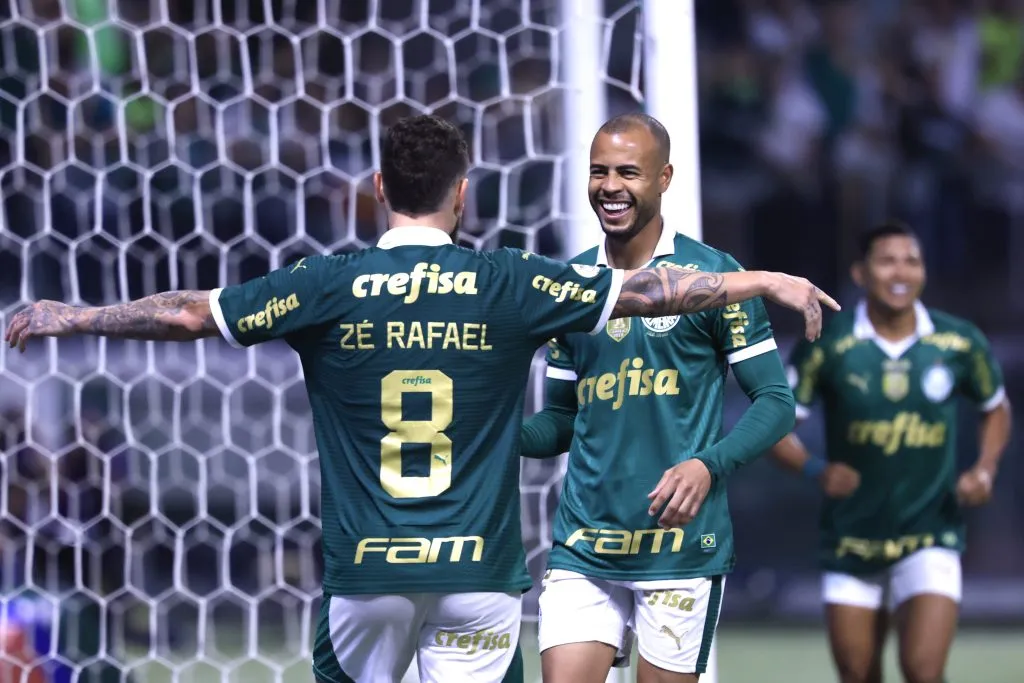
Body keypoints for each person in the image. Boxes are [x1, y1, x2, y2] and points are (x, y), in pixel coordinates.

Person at [5, 114, 838, 683]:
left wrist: (68, 315)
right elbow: (650, 295)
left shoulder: (327, 282)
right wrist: (765, 276)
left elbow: (188, 312)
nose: (611, 185)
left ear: (376, 187)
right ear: (463, 190)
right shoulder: (514, 281)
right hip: (481, 571)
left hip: (369, 568)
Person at [520, 113, 799, 683]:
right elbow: (561, 421)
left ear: (664, 177)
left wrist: (708, 464)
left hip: (678, 546)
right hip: (586, 544)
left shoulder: (716, 277)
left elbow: (775, 400)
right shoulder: (572, 285)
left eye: (629, 172)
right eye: (599, 172)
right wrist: (501, 437)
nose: (610, 186)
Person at [770, 221, 1014, 683]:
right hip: (850, 542)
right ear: (860, 273)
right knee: (858, 674)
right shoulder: (829, 344)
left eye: (912, 260)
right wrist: (816, 469)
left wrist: (985, 468)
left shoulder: (959, 341)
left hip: (930, 535)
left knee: (923, 670)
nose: (901, 271)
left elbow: (996, 408)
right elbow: (775, 427)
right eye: (887, 260)